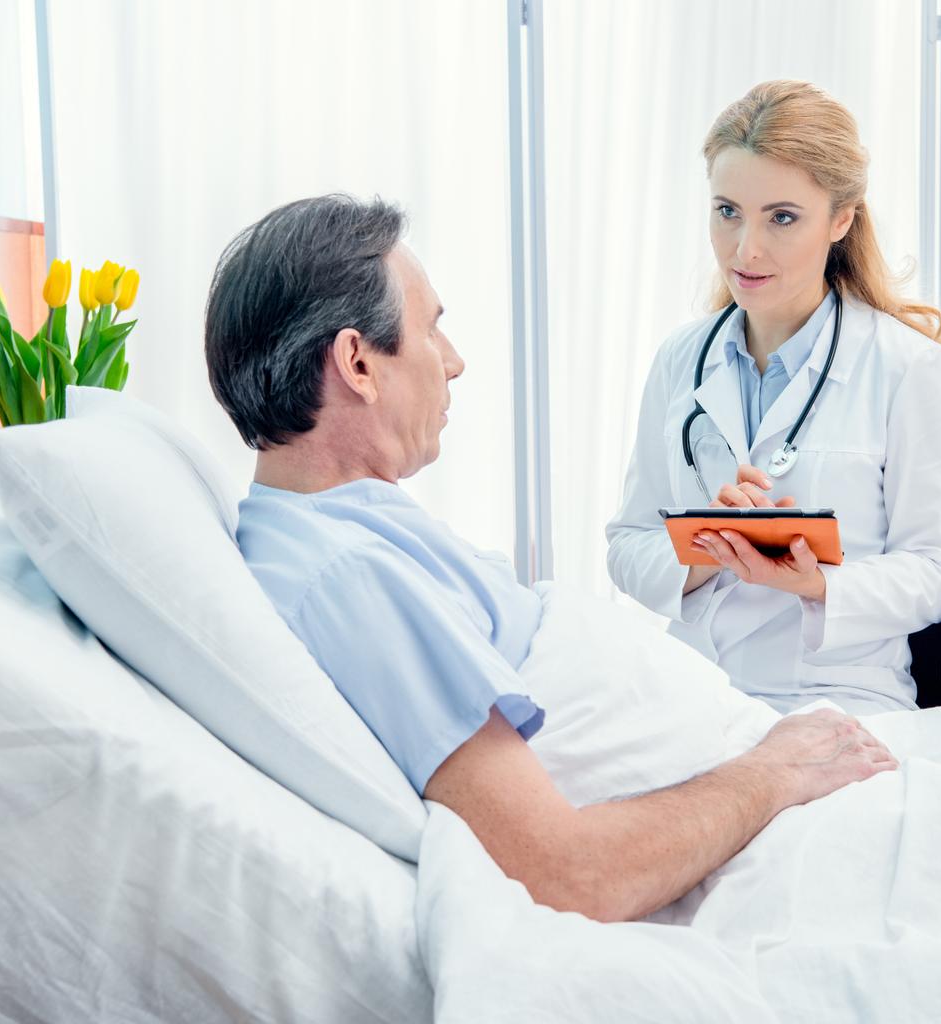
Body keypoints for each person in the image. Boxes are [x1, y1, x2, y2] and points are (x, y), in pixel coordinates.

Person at [206, 194, 896, 924]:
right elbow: (570, 873)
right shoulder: (345, 579)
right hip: (771, 816)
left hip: (763, 756)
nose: (454, 361)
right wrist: (774, 769)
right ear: (357, 364)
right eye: (431, 329)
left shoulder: (328, 528)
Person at [606, 81, 941, 715]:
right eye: (727, 212)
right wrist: (703, 553)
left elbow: (937, 569)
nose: (745, 249)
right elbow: (628, 541)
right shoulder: (680, 359)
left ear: (841, 218)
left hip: (839, 697)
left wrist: (816, 583)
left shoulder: (908, 368)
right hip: (696, 694)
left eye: (781, 217)